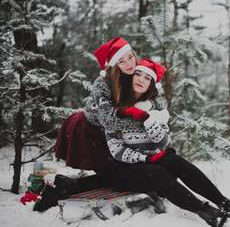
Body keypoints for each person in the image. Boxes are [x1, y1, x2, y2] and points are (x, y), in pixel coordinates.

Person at [36, 58, 230, 227]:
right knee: (158, 173)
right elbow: (117, 150)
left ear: (151, 85)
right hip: (122, 168)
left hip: (142, 163)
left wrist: (149, 122)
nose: (139, 79)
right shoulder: (117, 108)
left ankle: (225, 204)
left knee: (174, 160)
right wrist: (148, 157)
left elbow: (163, 140)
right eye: (136, 74)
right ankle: (208, 213)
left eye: (146, 77)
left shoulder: (155, 108)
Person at [33, 37, 166, 211]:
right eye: (121, 61)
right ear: (114, 64)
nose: (128, 63)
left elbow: (159, 99)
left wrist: (151, 106)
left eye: (130, 57)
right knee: (115, 177)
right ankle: (58, 190)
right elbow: (108, 120)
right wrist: (145, 121)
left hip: (110, 135)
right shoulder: (103, 83)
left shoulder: (137, 74)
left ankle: (64, 184)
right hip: (89, 131)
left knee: (120, 176)